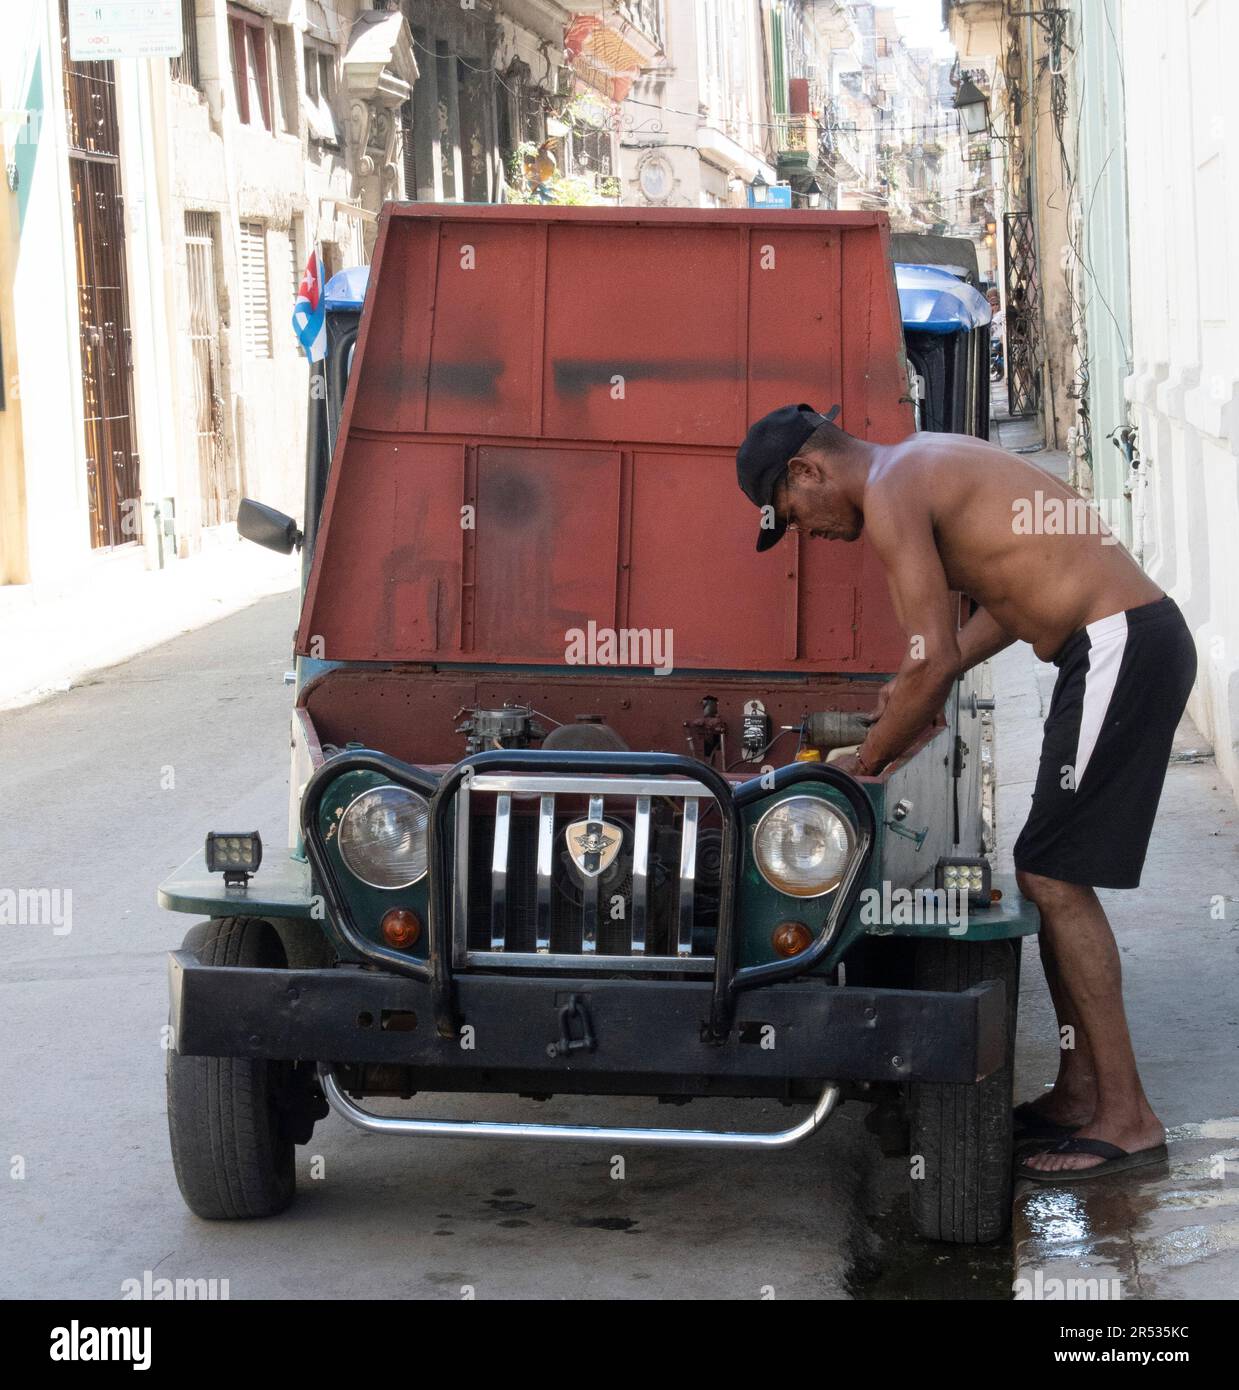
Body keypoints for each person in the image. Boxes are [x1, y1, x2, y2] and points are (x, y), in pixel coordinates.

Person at [736, 404, 1197, 1182]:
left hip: (1119, 645)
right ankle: (1081, 1090)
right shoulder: (912, 466)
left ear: (807, 471)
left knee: (1053, 876)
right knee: (1045, 871)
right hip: (1110, 646)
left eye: (792, 515)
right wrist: (910, 686)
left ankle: (1127, 1117)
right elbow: (1003, 609)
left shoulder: (890, 491)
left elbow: (933, 657)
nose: (806, 532)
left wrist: (869, 761)